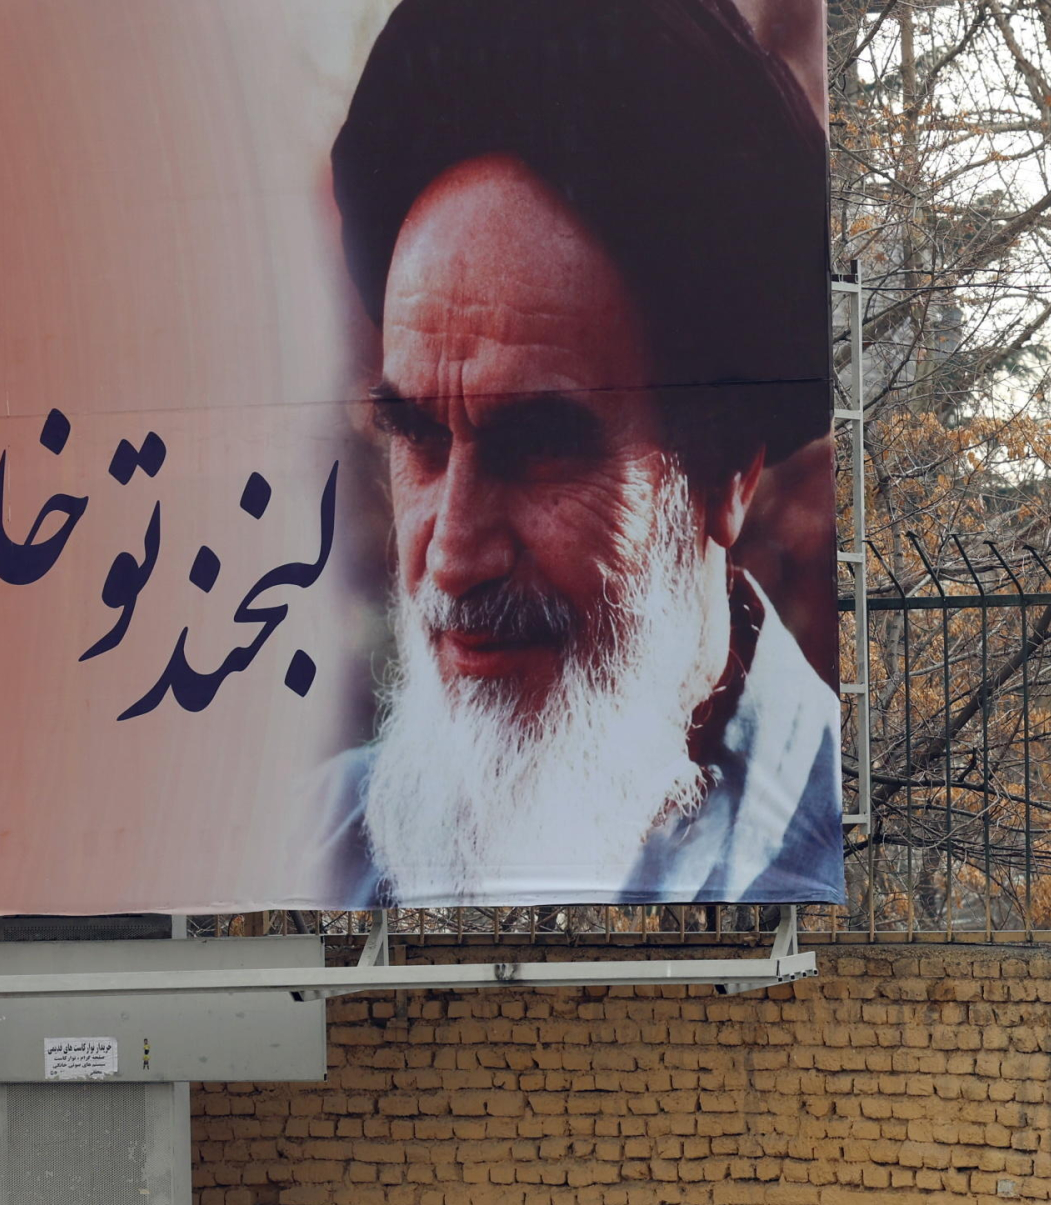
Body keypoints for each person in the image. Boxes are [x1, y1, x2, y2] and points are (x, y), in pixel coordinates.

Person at [314, 0, 841, 907]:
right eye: (421, 440)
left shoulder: (832, 875)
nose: (451, 554)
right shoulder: (307, 848)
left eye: (537, 449)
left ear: (725, 472)